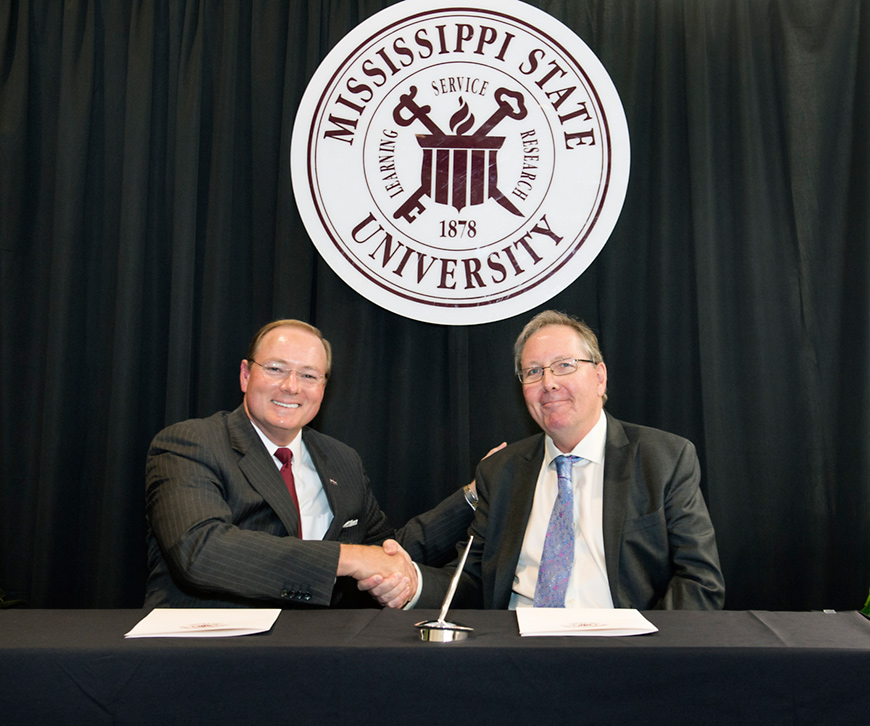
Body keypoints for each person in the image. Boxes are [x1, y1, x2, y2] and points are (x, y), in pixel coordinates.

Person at [364, 310, 725, 610]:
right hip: (518, 654)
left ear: (599, 377)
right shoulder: (501, 471)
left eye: (564, 365)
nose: (548, 383)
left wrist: (645, 650)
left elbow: (699, 580)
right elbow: (474, 579)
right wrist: (415, 584)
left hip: (625, 655)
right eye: (533, 372)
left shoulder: (664, 458)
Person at [144, 319, 480, 609]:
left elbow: (384, 551)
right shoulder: (190, 444)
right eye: (276, 369)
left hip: (317, 656)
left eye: (308, 375)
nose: (291, 387)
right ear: (246, 375)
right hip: (204, 656)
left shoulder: (342, 460)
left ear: (323, 388)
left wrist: (475, 495)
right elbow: (202, 552)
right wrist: (348, 559)